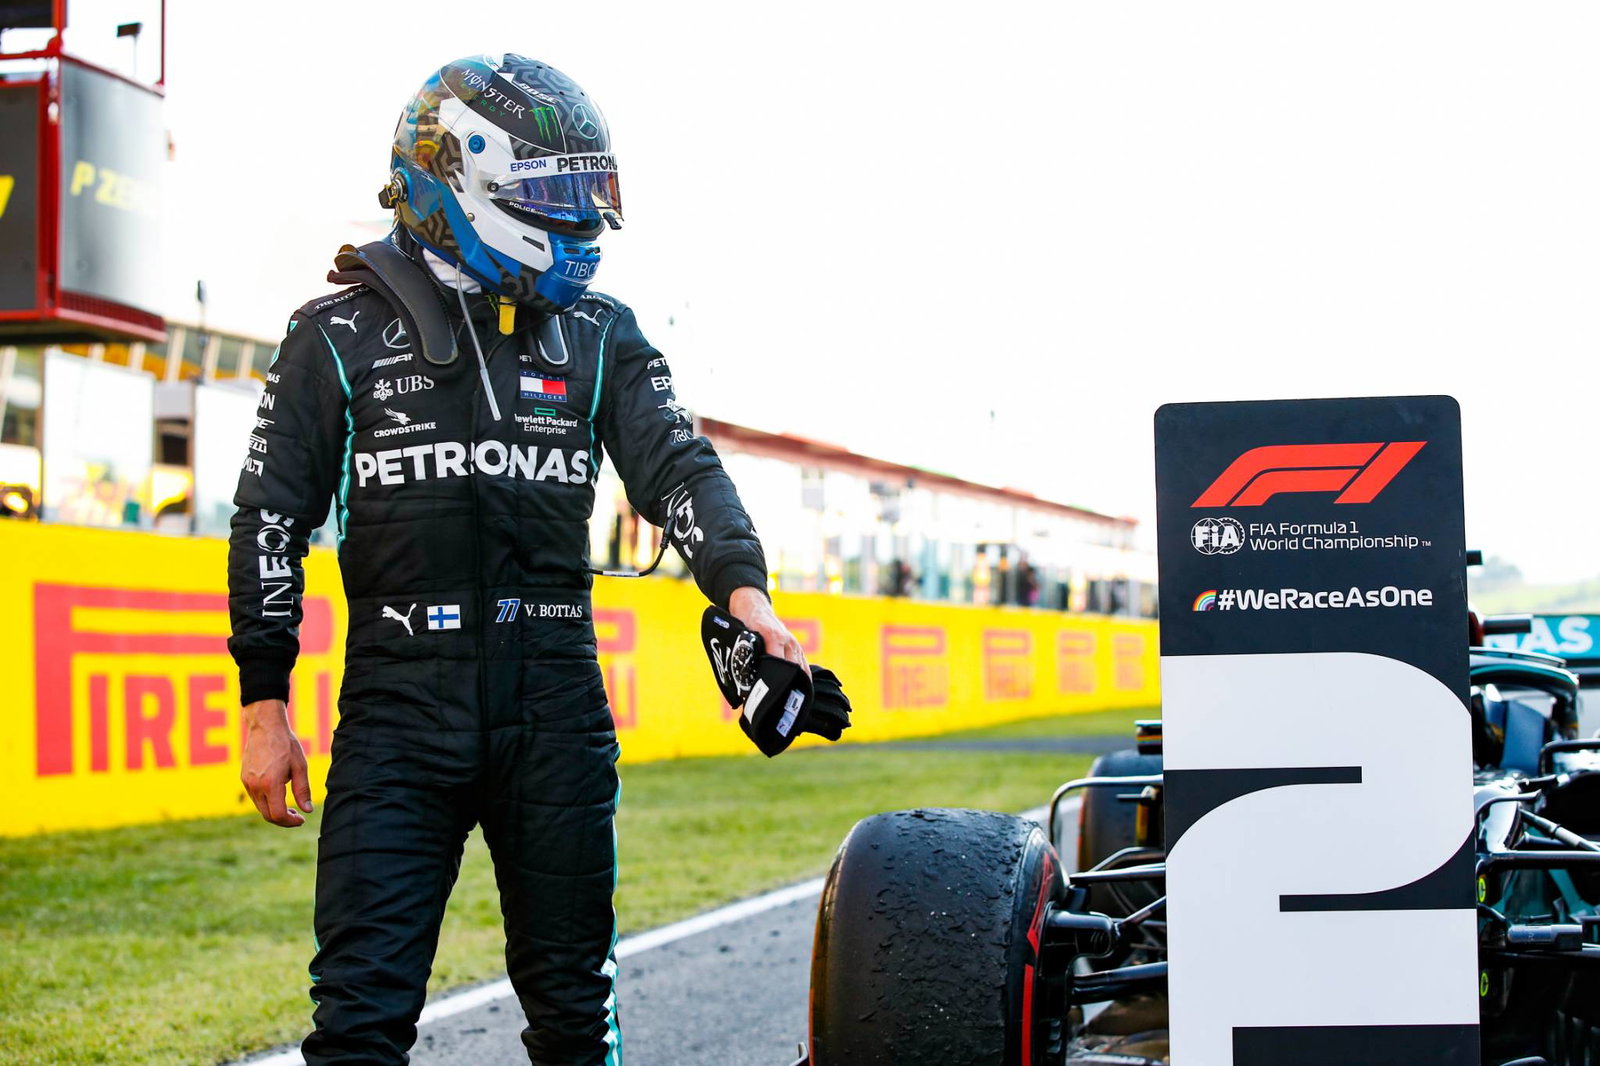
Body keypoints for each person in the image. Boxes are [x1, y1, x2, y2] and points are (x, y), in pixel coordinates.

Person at [227, 54, 811, 1066]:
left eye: (584, 190)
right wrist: (264, 702)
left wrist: (749, 603)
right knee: (357, 1020)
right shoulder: (333, 331)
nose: (577, 215)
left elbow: (680, 468)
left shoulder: (600, 334)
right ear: (453, 174)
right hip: (397, 710)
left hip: (555, 705)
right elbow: (270, 518)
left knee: (575, 1014)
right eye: (550, 193)